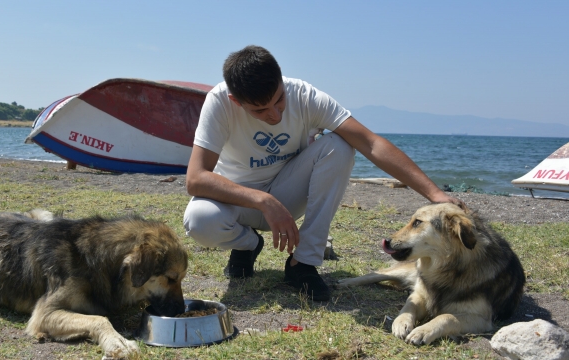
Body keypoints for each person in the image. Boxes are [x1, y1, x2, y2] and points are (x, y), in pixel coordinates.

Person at [183, 45, 461, 301]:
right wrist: (262, 201)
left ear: (282, 79)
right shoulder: (219, 102)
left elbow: (370, 142)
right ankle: (247, 245)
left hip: (288, 193)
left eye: (279, 100)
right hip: (240, 202)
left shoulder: (304, 95)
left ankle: (302, 262)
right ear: (236, 100)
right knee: (198, 219)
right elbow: (196, 178)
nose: (275, 115)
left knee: (341, 144)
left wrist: (436, 194)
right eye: (260, 110)